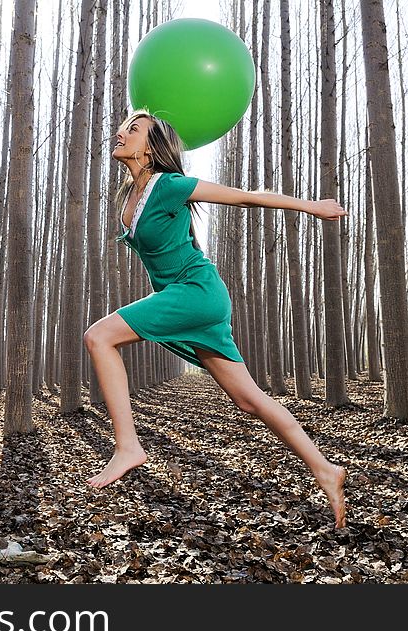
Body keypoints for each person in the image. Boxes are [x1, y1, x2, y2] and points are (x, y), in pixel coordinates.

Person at [83, 109, 349, 529]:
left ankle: (128, 446)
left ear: (152, 148)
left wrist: (312, 207)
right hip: (187, 296)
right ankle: (326, 471)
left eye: (133, 129)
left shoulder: (168, 185)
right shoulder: (130, 197)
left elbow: (248, 196)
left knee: (99, 337)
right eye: (122, 126)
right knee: (248, 400)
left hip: (197, 293)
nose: (120, 132)